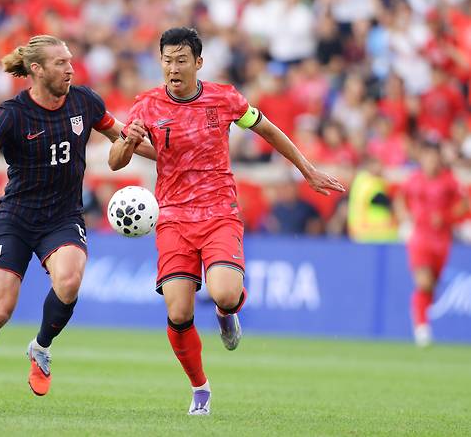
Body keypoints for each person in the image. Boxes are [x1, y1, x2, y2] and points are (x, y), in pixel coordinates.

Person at [109, 27, 344, 415]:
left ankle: (226, 313)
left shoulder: (225, 98)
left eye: (181, 60)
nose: (173, 68)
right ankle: (199, 388)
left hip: (219, 212)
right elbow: (116, 161)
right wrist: (128, 140)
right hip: (173, 217)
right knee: (178, 313)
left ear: (198, 62)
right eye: (167, 61)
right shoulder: (146, 106)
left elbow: (267, 129)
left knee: (225, 294)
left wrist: (307, 170)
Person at [0, 35, 155, 407]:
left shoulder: (85, 101)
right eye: (60, 63)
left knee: (69, 281)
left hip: (63, 216)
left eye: (70, 61)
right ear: (37, 70)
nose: (70, 69)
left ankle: (40, 347)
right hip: (16, 219)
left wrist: (173, 159)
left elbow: (122, 137)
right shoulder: (12, 113)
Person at [395, 138, 467, 347]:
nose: (431, 161)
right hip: (420, 238)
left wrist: (446, 217)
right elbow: (400, 199)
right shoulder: (414, 179)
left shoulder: (449, 181)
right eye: (427, 156)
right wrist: (404, 216)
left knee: (430, 287)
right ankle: (421, 327)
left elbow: (463, 205)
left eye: (434, 157)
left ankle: (421, 316)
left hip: (442, 241)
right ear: (422, 158)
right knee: (423, 282)